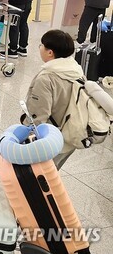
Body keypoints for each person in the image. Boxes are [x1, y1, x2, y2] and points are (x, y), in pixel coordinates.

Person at [23, 30, 86, 168]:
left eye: (41, 45)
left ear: (50, 52)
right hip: (71, 134)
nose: (40, 48)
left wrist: (26, 138)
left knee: (35, 177)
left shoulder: (46, 78)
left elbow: (38, 115)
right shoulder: (77, 70)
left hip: (49, 138)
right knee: (51, 174)